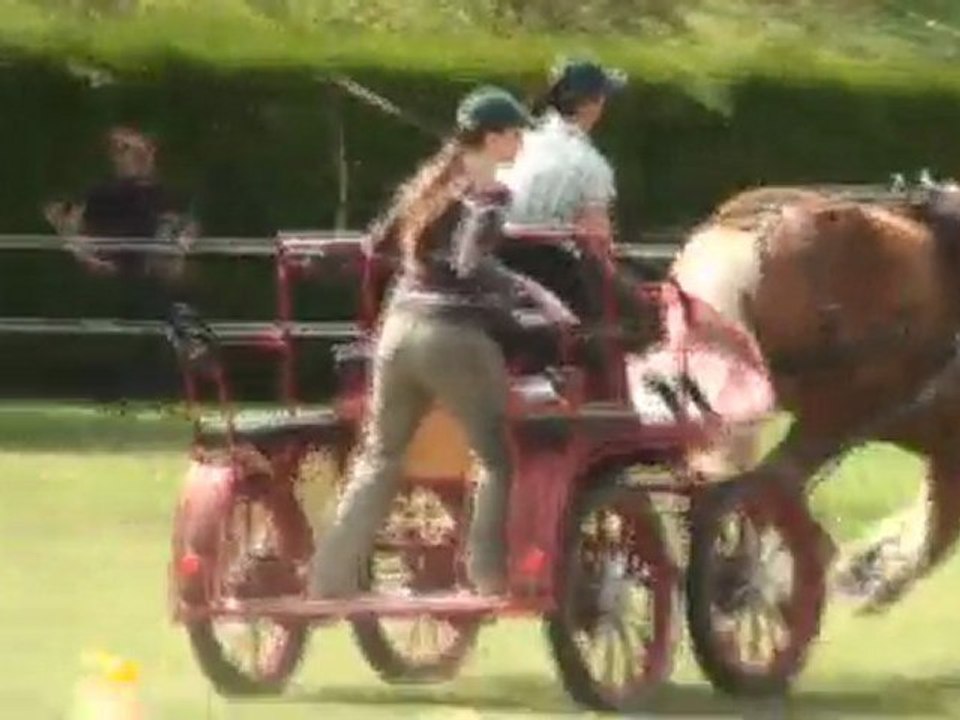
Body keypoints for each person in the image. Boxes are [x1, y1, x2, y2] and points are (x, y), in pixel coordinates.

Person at [310, 86, 577, 599]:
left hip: (397, 331)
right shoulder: (489, 195)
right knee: (499, 457)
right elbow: (468, 265)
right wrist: (530, 294)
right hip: (451, 339)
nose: (521, 143)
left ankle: (329, 578)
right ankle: (488, 574)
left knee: (379, 457)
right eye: (516, 134)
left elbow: (377, 247)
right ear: (494, 137)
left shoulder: (426, 187)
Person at [43, 126, 197, 410]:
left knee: (158, 330)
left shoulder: (168, 194)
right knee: (113, 334)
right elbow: (71, 228)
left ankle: (156, 394)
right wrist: (86, 257)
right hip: (112, 277)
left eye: (136, 150)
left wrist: (176, 256)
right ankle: (111, 394)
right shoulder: (102, 193)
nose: (131, 157)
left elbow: (186, 230)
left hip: (150, 277)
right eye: (122, 151)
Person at [497, 57, 626, 255]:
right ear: (590, 105)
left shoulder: (516, 146)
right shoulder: (592, 165)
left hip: (501, 256)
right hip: (555, 268)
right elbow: (598, 241)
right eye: (601, 97)